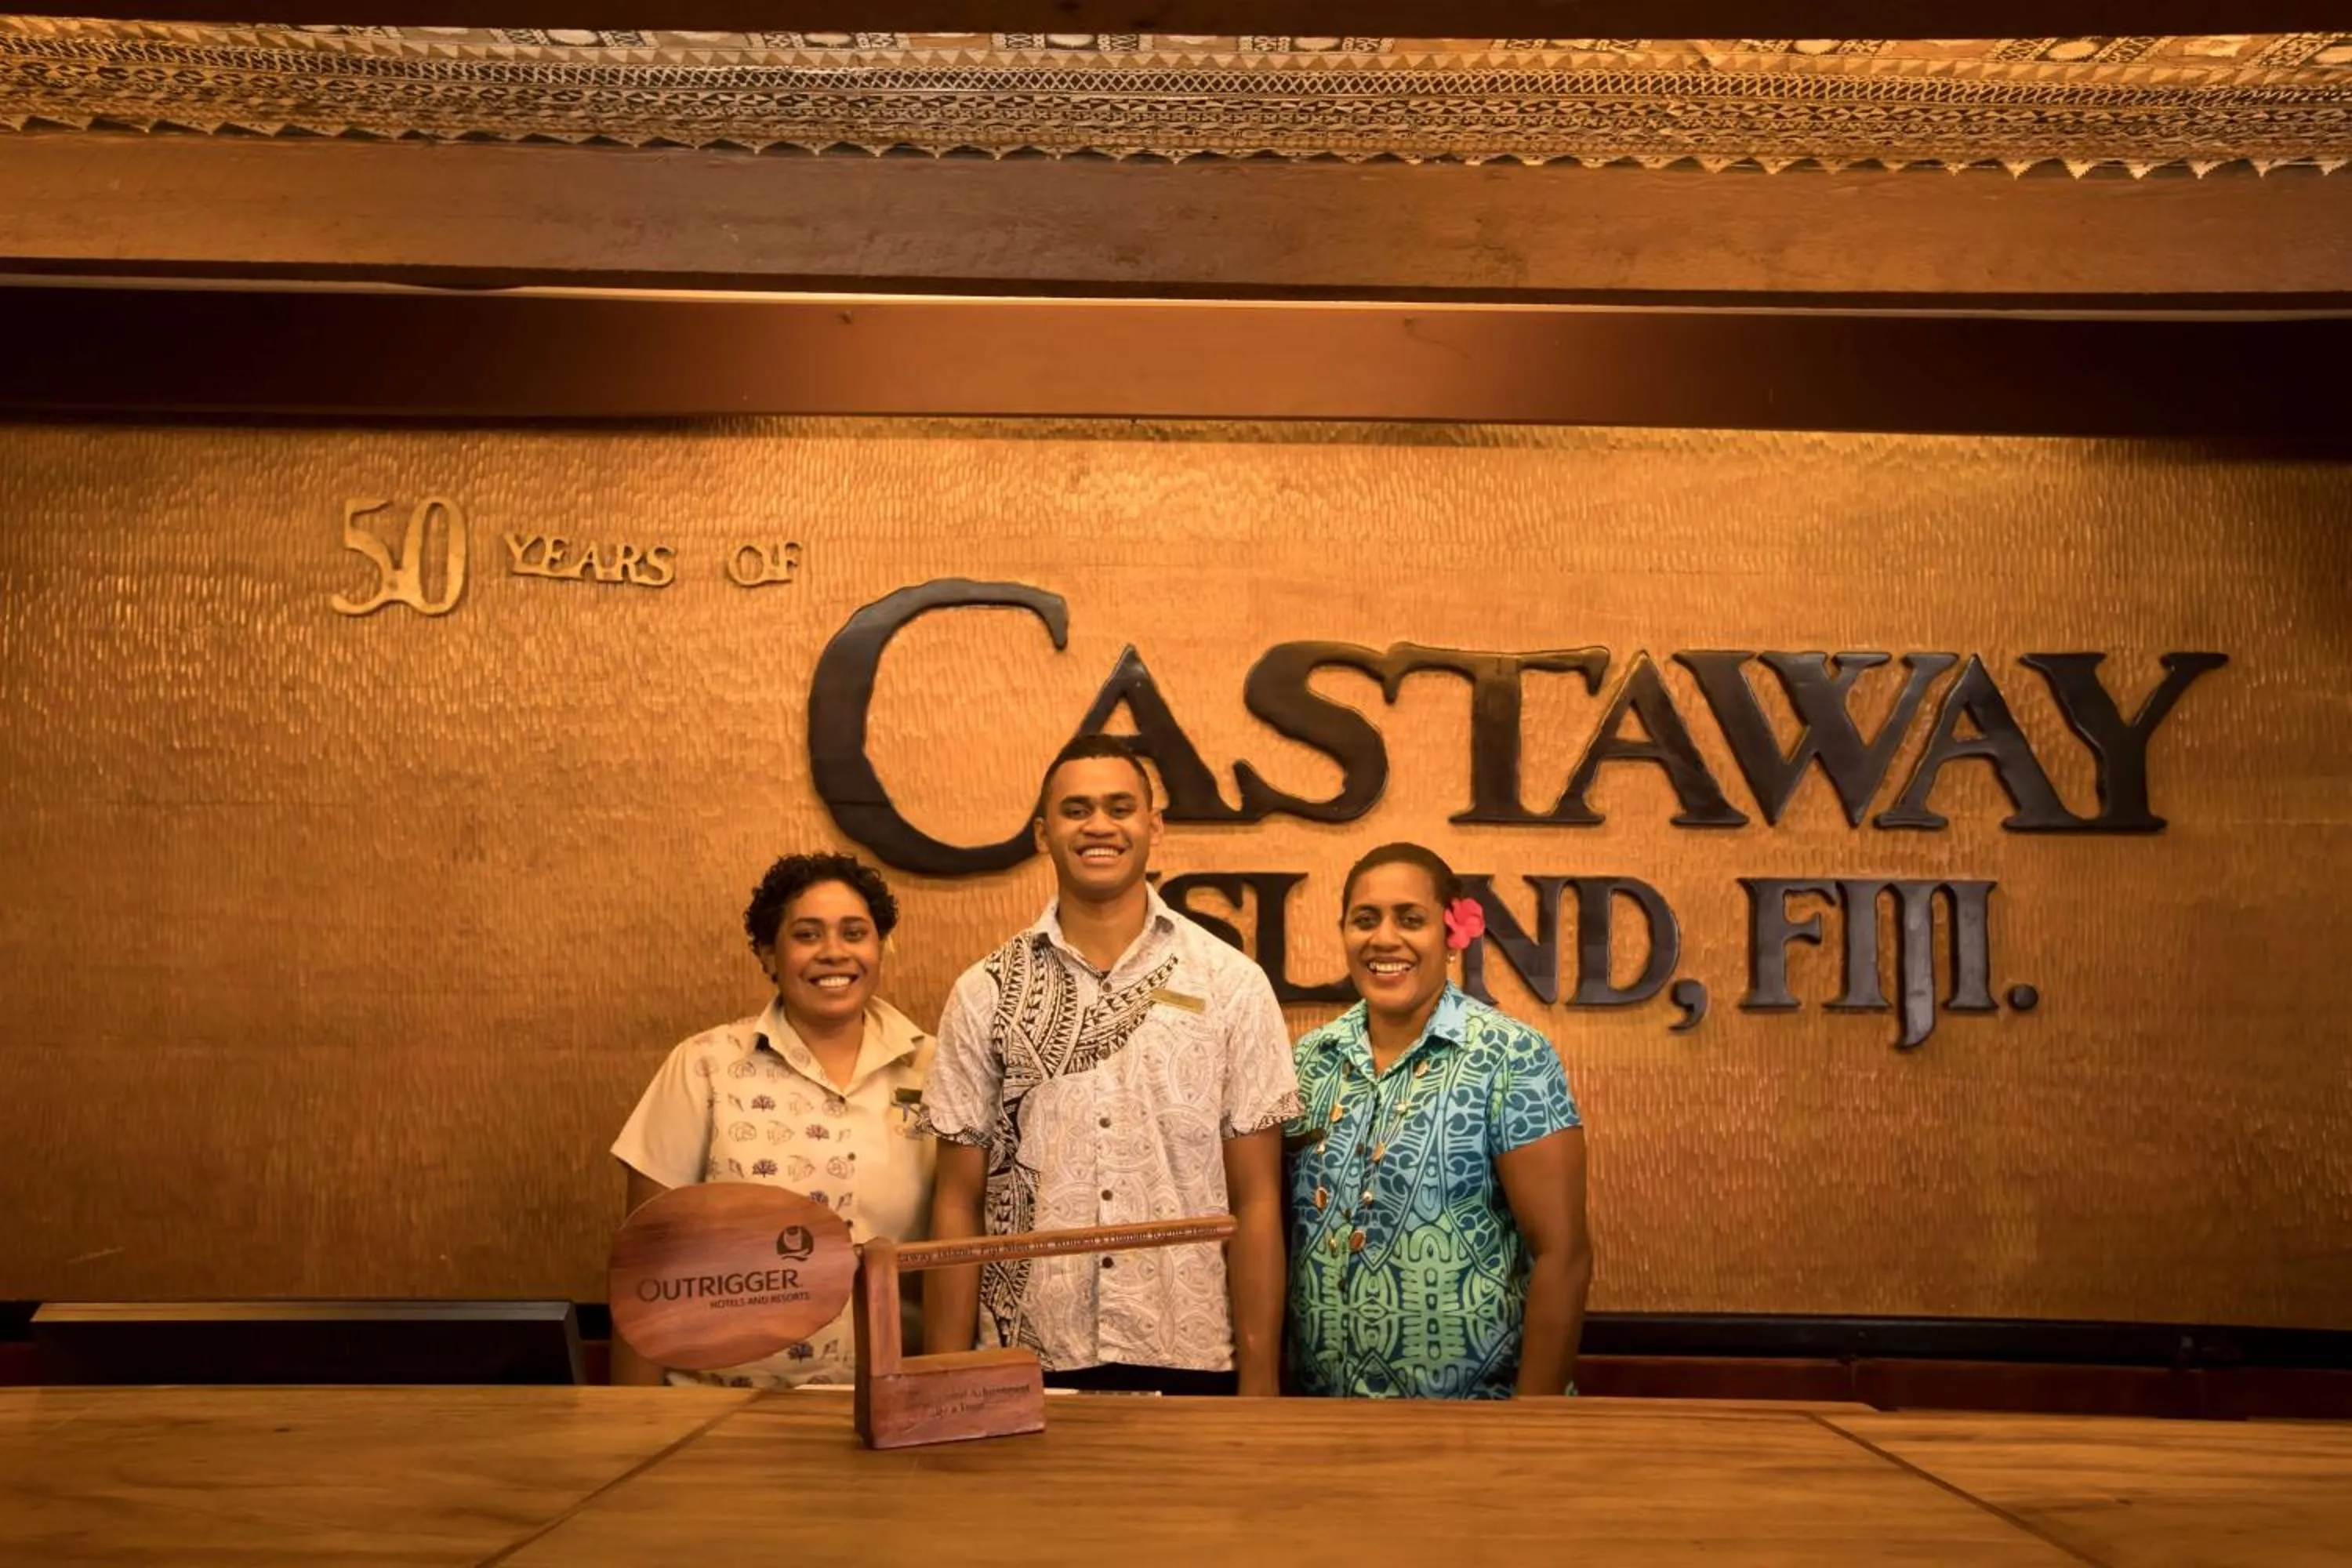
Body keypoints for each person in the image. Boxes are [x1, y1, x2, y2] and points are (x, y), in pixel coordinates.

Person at [919, 734, 1298, 1396]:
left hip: (1193, 1352)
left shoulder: (1231, 983)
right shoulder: (985, 991)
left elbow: (1258, 1199)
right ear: (1043, 833)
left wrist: (1261, 1384)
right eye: (1076, 810)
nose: (1099, 825)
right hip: (1026, 1356)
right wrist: (943, 1380)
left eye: (1120, 808)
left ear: (1154, 827)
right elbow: (958, 1197)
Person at [608, 852, 935, 1388]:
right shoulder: (705, 1067)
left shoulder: (938, 1072)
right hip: (720, 1415)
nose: (835, 953)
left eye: (855, 933)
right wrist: (631, 1425)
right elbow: (645, 1259)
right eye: (808, 935)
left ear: (880, 948)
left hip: (890, 1408)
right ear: (768, 955)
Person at [1286, 841, 1592, 1399]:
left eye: (1410, 919)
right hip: (1322, 1421)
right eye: (1364, 919)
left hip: (1478, 1423)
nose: (1384, 939)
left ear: (1451, 935)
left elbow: (1563, 1254)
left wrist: (1536, 1423)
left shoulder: (1509, 1057)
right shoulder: (1307, 1062)